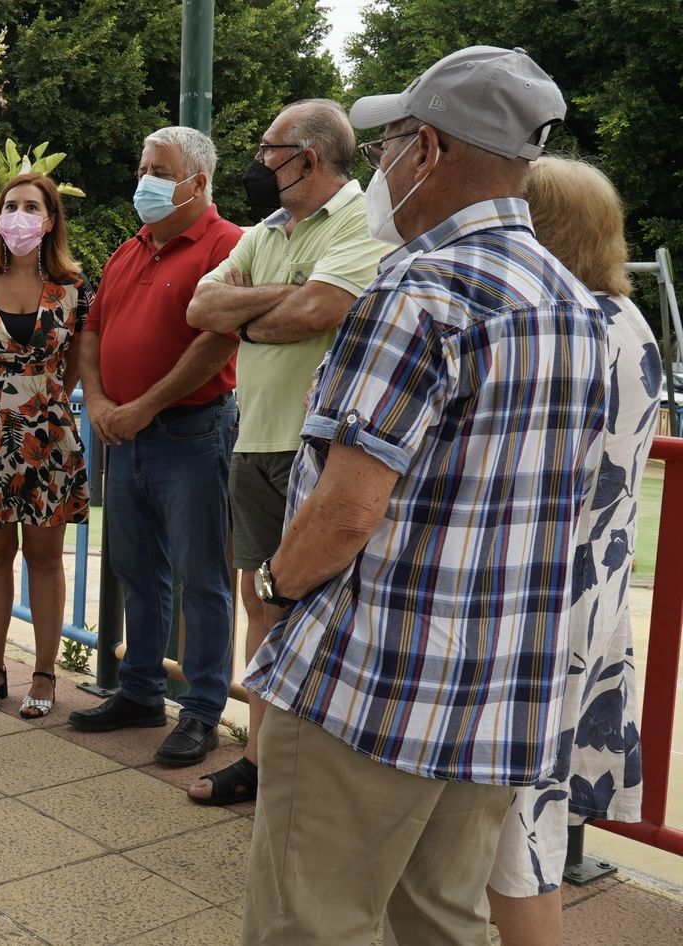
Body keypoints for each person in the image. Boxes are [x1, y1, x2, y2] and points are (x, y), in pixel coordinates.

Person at [239, 47, 607, 945]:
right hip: (498, 685)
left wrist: (274, 591)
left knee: (311, 922)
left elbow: (347, 509)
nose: (381, 167)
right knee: (444, 923)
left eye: (389, 144)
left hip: (375, 683)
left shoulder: (419, 290)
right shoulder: (570, 299)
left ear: (430, 152)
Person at [182, 99, 384, 805]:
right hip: (256, 439)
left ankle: (313, 777)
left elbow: (321, 311)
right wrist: (289, 294)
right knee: (260, 604)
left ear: (311, 156)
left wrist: (264, 311)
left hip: (321, 450)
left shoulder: (364, 218)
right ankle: (261, 763)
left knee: (318, 610)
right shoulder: (267, 229)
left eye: (269, 149)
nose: (258, 163)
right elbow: (202, 308)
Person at [485, 156, 659, 946]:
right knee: (530, 817)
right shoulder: (629, 321)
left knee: (517, 831)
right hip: (593, 597)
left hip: (537, 604)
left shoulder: (563, 324)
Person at [68, 126, 242, 769]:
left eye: (158, 169)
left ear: (197, 182)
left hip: (190, 436)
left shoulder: (229, 246)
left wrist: (144, 406)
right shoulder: (129, 248)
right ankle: (140, 691)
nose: (144, 179)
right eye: (143, 166)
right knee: (136, 572)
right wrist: (100, 403)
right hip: (125, 436)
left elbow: (218, 341)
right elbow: (92, 333)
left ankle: (201, 712)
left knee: (203, 580)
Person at [0, 173, 92, 719]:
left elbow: (77, 359)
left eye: (32, 206)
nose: (20, 215)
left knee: (44, 556)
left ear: (50, 219)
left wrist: (42, 398)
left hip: (48, 431)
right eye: (11, 205)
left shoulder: (72, 287)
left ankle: (45, 671)